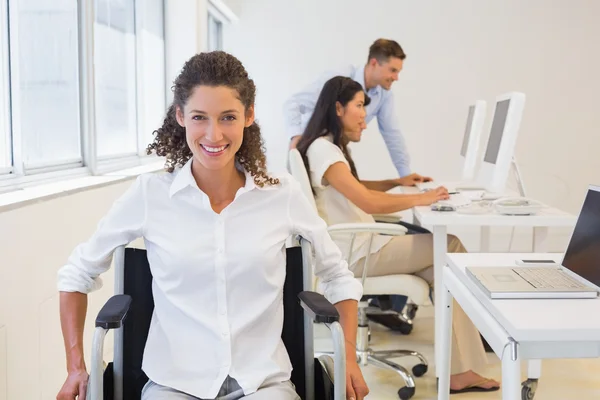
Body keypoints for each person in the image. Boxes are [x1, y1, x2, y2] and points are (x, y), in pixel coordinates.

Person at [56, 52, 369, 400]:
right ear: (180, 116)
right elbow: (75, 275)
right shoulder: (150, 195)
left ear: (249, 116)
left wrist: (349, 358)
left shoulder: (281, 195)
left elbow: (338, 277)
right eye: (199, 117)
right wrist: (75, 367)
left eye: (228, 117)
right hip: (173, 385)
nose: (214, 134)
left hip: (263, 385)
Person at [296, 76, 500, 394]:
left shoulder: (326, 147)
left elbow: (357, 189)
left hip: (361, 247)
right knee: (452, 247)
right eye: (360, 105)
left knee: (441, 270)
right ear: (338, 108)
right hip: (359, 253)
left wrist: (397, 181)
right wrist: (423, 198)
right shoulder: (325, 149)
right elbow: (366, 201)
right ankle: (473, 359)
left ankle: (461, 371)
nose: (366, 114)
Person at [284, 38, 430, 182]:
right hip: (313, 150)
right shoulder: (340, 77)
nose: (396, 77)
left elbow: (392, 134)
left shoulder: (384, 94)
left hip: (336, 151)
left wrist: (405, 175)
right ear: (374, 63)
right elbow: (294, 103)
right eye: (392, 70)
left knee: (348, 197)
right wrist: (296, 137)